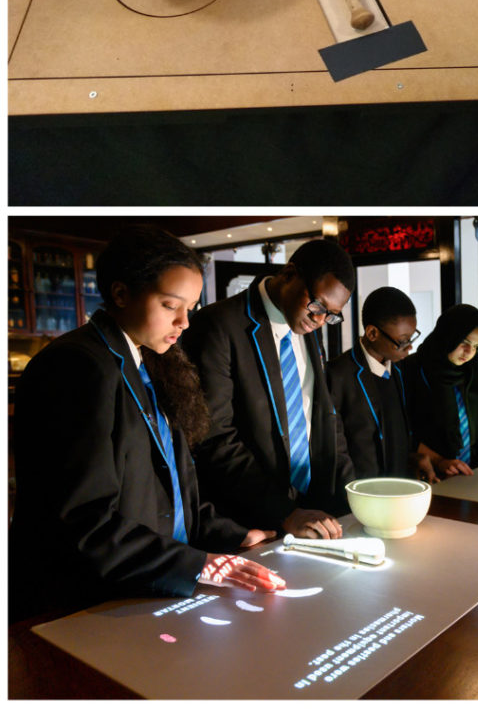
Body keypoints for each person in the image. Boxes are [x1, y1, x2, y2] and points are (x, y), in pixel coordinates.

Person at [9, 225, 285, 623]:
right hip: (82, 603)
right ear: (121, 294)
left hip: (147, 586)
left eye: (190, 307)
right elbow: (83, 520)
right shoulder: (77, 367)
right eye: (171, 305)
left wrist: (230, 535)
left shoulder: (148, 360)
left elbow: (167, 484)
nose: (185, 322)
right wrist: (199, 565)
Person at [183, 239, 356, 541]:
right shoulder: (219, 325)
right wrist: (284, 512)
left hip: (314, 509)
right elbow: (215, 438)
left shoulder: (309, 329)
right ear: (289, 274)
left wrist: (353, 498)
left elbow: (323, 415)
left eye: (331, 315)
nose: (320, 321)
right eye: (317, 306)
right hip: (251, 520)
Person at [327, 286, 422, 479]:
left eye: (412, 338)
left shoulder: (400, 368)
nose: (410, 347)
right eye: (403, 341)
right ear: (372, 333)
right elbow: (335, 450)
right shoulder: (337, 375)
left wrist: (415, 459)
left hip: (400, 488)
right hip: (362, 494)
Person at [403, 304, 478, 481]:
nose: (469, 352)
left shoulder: (471, 373)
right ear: (448, 336)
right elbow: (401, 433)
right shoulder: (410, 369)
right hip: (427, 477)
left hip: (467, 475)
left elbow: (470, 429)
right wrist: (440, 461)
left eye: (476, 346)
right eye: (464, 342)